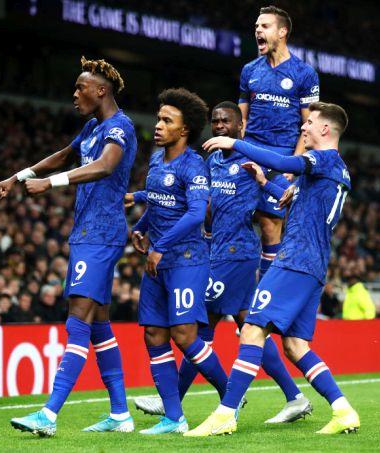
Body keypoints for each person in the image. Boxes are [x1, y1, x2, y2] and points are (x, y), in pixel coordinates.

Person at [186, 102, 359, 437]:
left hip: (294, 260)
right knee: (295, 346)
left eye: (309, 123)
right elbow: (297, 202)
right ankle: (343, 409)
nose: (303, 128)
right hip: (314, 265)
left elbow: (284, 162)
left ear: (326, 130)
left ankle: (224, 415)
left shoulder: (321, 159)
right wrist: (265, 183)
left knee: (252, 329)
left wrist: (234, 143)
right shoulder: (337, 171)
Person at [133, 101, 310, 424]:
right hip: (215, 252)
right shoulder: (211, 161)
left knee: (198, 327)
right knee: (250, 326)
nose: (219, 127)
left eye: (226, 122)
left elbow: (285, 197)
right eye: (215, 122)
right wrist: (142, 200)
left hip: (236, 255)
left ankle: (174, 400)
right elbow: (190, 197)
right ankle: (294, 396)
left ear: (240, 127)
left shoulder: (253, 159)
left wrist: (265, 184)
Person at [1, 57, 137, 436]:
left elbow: (107, 166)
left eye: (81, 88)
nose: (75, 94)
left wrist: (52, 184)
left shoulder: (119, 127)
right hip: (87, 234)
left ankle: (48, 414)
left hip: (102, 234)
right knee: (98, 326)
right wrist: (20, 175)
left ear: (101, 90)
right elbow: (64, 155)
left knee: (77, 318)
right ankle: (121, 414)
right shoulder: (92, 127)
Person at [131, 88, 229, 435]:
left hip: (187, 260)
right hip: (158, 261)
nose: (157, 125)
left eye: (166, 120)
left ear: (184, 129)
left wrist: (160, 246)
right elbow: (158, 203)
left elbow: (194, 215)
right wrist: (140, 228)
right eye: (159, 118)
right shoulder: (157, 159)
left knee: (185, 335)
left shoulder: (194, 165)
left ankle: (229, 397)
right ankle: (174, 417)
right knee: (154, 334)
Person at [238, 5, 320, 277]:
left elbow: (309, 125)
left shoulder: (304, 73)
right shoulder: (250, 70)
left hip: (282, 158)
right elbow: (242, 119)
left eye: (264, 26)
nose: (258, 30)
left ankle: (266, 290)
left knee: (270, 225)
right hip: (248, 153)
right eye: (256, 27)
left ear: (282, 32)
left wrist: (294, 164)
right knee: (222, 212)